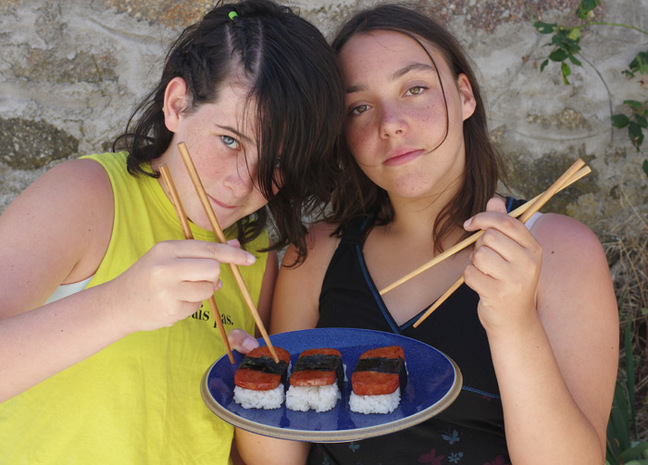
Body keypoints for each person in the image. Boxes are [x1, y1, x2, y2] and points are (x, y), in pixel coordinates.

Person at [235, 3, 619, 465]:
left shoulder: (558, 249)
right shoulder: (316, 254)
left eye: (414, 88)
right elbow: (276, 459)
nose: (389, 122)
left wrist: (513, 324)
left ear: (465, 96)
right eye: (359, 107)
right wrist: (256, 379)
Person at [0, 0, 344, 463]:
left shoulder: (256, 253)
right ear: (177, 105)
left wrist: (249, 381)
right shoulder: (88, 195)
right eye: (229, 140)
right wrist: (119, 304)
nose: (243, 182)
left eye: (277, 162)